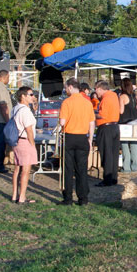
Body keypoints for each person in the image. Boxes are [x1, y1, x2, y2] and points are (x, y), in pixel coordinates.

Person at [59, 77, 96, 205]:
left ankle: (68, 198)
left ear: (70, 87)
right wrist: (90, 139)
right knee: (82, 170)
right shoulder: (87, 102)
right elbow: (92, 123)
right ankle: (83, 198)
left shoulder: (66, 102)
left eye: (65, 88)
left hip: (69, 136)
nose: (65, 90)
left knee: (68, 169)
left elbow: (62, 122)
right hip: (82, 137)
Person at [9, 86, 37, 204]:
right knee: (25, 170)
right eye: (30, 95)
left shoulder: (15, 108)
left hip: (16, 140)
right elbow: (29, 130)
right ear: (23, 96)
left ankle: (15, 195)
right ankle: (22, 197)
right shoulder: (25, 110)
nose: (32, 97)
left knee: (17, 169)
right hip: (25, 141)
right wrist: (33, 145)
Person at [94, 80, 120, 186]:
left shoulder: (106, 99)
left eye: (96, 90)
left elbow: (102, 115)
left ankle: (107, 179)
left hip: (106, 128)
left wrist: (93, 114)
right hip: (114, 126)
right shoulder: (114, 96)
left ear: (100, 89)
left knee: (106, 154)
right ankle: (113, 178)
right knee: (114, 154)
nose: (96, 92)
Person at [119, 78, 137, 172]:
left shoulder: (122, 96)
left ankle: (126, 167)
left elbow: (121, 111)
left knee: (124, 144)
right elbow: (136, 107)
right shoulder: (134, 95)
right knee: (134, 144)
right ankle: (135, 166)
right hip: (135, 121)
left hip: (125, 122)